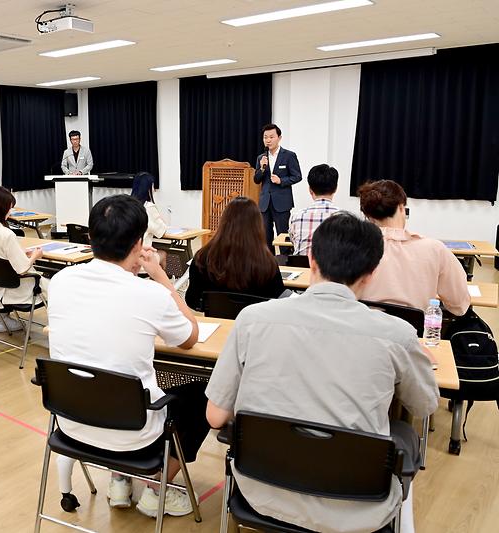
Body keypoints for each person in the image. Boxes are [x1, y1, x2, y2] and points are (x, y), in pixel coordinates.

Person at [205, 212, 439, 533]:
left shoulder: (253, 319)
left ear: (311, 258)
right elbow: (425, 406)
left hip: (261, 489)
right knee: (402, 436)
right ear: (371, 273)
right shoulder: (395, 334)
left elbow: (216, 418)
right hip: (358, 505)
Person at [48, 194, 207, 519]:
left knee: (106, 377)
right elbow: (190, 337)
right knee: (203, 394)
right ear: (139, 243)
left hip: (71, 423)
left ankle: (119, 480)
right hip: (133, 436)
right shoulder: (150, 295)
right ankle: (154, 487)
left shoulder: (60, 282)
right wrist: (162, 278)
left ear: (90, 238)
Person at [358, 179, 470, 316]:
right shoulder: (435, 249)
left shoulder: (354, 246)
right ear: (401, 208)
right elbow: (458, 305)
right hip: (414, 334)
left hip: (364, 332)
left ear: (368, 216)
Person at [185, 196, 286, 311]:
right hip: (253, 326)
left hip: (218, 325)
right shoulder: (267, 263)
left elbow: (192, 300)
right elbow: (277, 300)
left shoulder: (202, 258)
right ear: (257, 225)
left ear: (224, 222)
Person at [0, 187, 43, 332]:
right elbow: (22, 269)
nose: (10, 212)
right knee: (55, 284)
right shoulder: (5, 234)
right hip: (19, 288)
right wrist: (35, 256)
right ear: (0, 209)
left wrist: (20, 252)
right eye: (9, 208)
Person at [253, 123, 302, 248]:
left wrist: (282, 181)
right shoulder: (261, 157)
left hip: (282, 202)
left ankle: (285, 261)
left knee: (283, 234)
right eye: (265, 137)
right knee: (265, 236)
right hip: (265, 203)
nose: (268, 140)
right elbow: (256, 179)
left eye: (271, 137)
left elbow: (297, 176)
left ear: (279, 138)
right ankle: (268, 262)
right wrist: (262, 169)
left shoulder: (289, 156)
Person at [288, 163, 341, 256]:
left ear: (310, 190)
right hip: (331, 268)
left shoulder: (297, 216)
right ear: (336, 188)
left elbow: (294, 241)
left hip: (301, 268)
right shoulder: (343, 217)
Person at [130, 172, 167, 247]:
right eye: (153, 186)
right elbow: (161, 231)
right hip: (141, 251)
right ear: (148, 188)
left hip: (126, 251)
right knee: (163, 254)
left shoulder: (128, 205)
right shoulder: (149, 207)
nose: (154, 190)